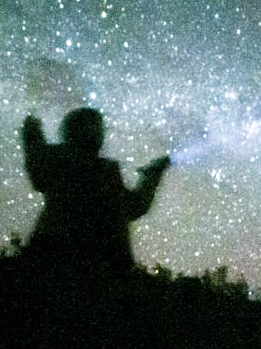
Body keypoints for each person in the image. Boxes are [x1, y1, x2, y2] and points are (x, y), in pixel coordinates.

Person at [21, 107, 170, 276]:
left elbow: (37, 170)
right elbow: (134, 206)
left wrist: (31, 130)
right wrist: (152, 175)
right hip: (99, 261)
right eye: (98, 127)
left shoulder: (55, 158)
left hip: (53, 252)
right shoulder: (105, 171)